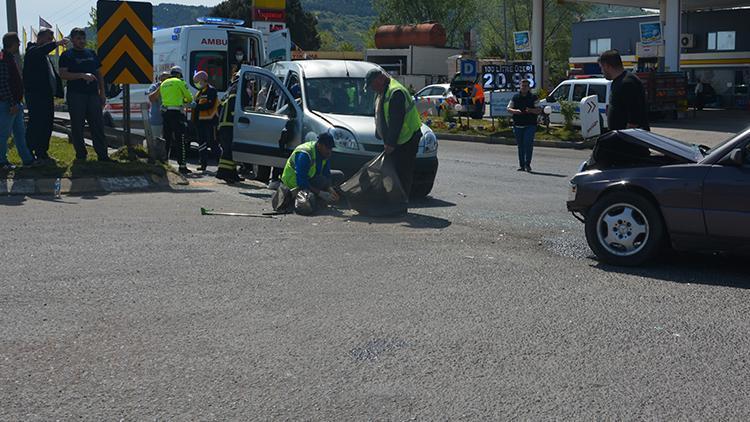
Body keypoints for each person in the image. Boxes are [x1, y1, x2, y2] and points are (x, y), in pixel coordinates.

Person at [365, 68, 422, 199]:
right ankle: (395, 201)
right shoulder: (383, 91)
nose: (373, 88)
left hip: (407, 138)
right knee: (394, 171)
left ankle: (401, 203)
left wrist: (390, 143)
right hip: (399, 139)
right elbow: (381, 115)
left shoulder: (396, 92)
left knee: (403, 172)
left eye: (373, 84)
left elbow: (396, 121)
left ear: (381, 79)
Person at [59, 27, 112, 162]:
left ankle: (103, 155)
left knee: (98, 124)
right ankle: (81, 155)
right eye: (78, 39)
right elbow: (63, 74)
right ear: (72, 40)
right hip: (76, 95)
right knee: (77, 126)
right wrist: (81, 75)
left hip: (93, 94)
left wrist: (102, 92)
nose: (82, 41)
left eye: (83, 38)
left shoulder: (91, 53)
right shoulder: (67, 55)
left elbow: (99, 74)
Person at [22, 28, 66, 163]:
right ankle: (29, 152)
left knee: (47, 123)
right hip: (35, 95)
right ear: (40, 38)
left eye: (51, 40)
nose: (50, 42)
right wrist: (57, 44)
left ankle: (42, 152)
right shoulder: (32, 51)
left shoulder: (44, 56)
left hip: (47, 95)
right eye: (48, 39)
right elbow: (40, 51)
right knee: (36, 123)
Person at [280, 131, 344, 206]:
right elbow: (302, 182)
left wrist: (330, 189)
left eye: (331, 148)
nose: (329, 151)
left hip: (311, 178)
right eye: (327, 148)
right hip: (294, 183)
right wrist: (320, 193)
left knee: (338, 175)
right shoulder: (305, 154)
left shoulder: (325, 154)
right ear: (319, 144)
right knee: (308, 203)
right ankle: (310, 197)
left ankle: (323, 197)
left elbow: (326, 174)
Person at [0, 33, 34, 169]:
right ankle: (2, 161)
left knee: (20, 133)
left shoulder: (10, 58)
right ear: (12, 43)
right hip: (8, 103)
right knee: (3, 134)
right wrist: (12, 102)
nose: (20, 44)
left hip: (16, 103)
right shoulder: (3, 59)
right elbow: (3, 83)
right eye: (18, 42)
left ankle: (27, 159)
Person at [598, 50, 649, 131]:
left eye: (601, 68)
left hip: (629, 139)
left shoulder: (627, 83)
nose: (601, 71)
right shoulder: (618, 81)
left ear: (607, 66)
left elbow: (634, 119)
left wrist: (623, 140)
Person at [160, 66, 193, 174]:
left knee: (166, 139)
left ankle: (164, 162)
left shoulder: (163, 83)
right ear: (179, 74)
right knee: (180, 140)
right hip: (177, 114)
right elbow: (189, 98)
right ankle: (182, 166)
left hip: (165, 114)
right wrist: (183, 99)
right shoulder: (179, 82)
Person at [507, 79, 541, 172]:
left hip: (530, 125)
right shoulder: (515, 97)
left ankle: (527, 164)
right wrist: (515, 111)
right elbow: (509, 108)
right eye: (523, 86)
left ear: (529, 87)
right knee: (520, 146)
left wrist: (531, 110)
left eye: (526, 86)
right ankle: (521, 165)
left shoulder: (534, 97)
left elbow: (539, 110)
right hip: (518, 125)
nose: (524, 87)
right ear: (520, 86)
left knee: (528, 144)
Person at [216, 72, 243, 184]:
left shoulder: (230, 89)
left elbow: (219, 107)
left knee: (230, 149)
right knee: (228, 150)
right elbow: (235, 105)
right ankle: (223, 173)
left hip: (224, 123)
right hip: (230, 124)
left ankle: (233, 174)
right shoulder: (237, 89)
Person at [191, 71, 220, 172]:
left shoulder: (211, 91)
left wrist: (197, 106)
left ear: (203, 80)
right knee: (202, 144)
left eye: (197, 81)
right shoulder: (200, 92)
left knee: (213, 143)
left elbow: (210, 105)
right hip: (200, 122)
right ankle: (203, 164)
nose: (197, 83)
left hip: (210, 121)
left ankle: (220, 164)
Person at [146, 71, 171, 140]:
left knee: (169, 140)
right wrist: (160, 87)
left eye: (167, 79)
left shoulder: (172, 87)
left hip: (169, 119)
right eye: (163, 79)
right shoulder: (154, 87)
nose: (165, 81)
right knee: (155, 140)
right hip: (156, 119)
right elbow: (151, 99)